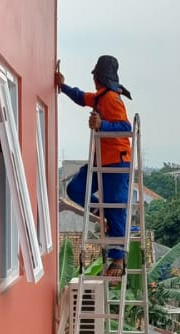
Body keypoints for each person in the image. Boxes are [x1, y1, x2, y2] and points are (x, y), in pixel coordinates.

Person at [56, 55, 132, 278]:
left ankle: (118, 257)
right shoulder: (100, 97)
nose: (93, 78)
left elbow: (125, 126)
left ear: (100, 76)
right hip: (101, 161)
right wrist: (63, 86)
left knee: (117, 206)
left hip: (117, 161)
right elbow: (82, 98)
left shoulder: (112, 99)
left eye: (95, 74)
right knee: (76, 189)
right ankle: (104, 213)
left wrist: (102, 124)